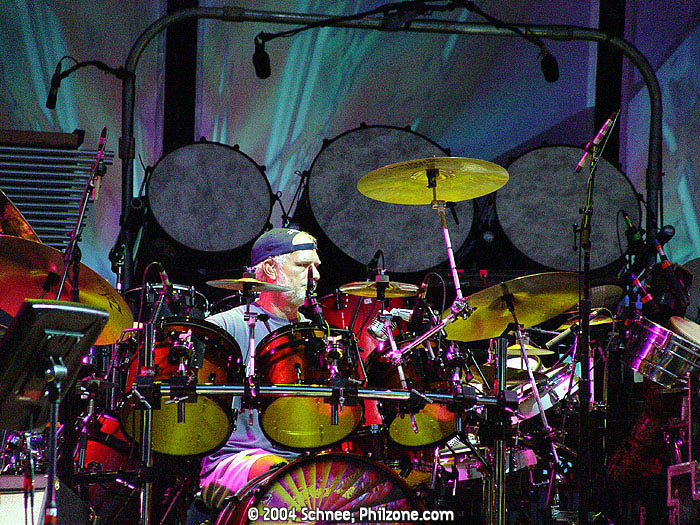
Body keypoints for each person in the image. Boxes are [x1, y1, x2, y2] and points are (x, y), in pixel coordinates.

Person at [198, 228, 321, 509]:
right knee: (288, 484)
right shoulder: (224, 327)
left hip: (302, 459)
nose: (314, 276)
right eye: (303, 265)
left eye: (316, 267)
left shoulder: (316, 334)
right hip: (236, 460)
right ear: (270, 269)